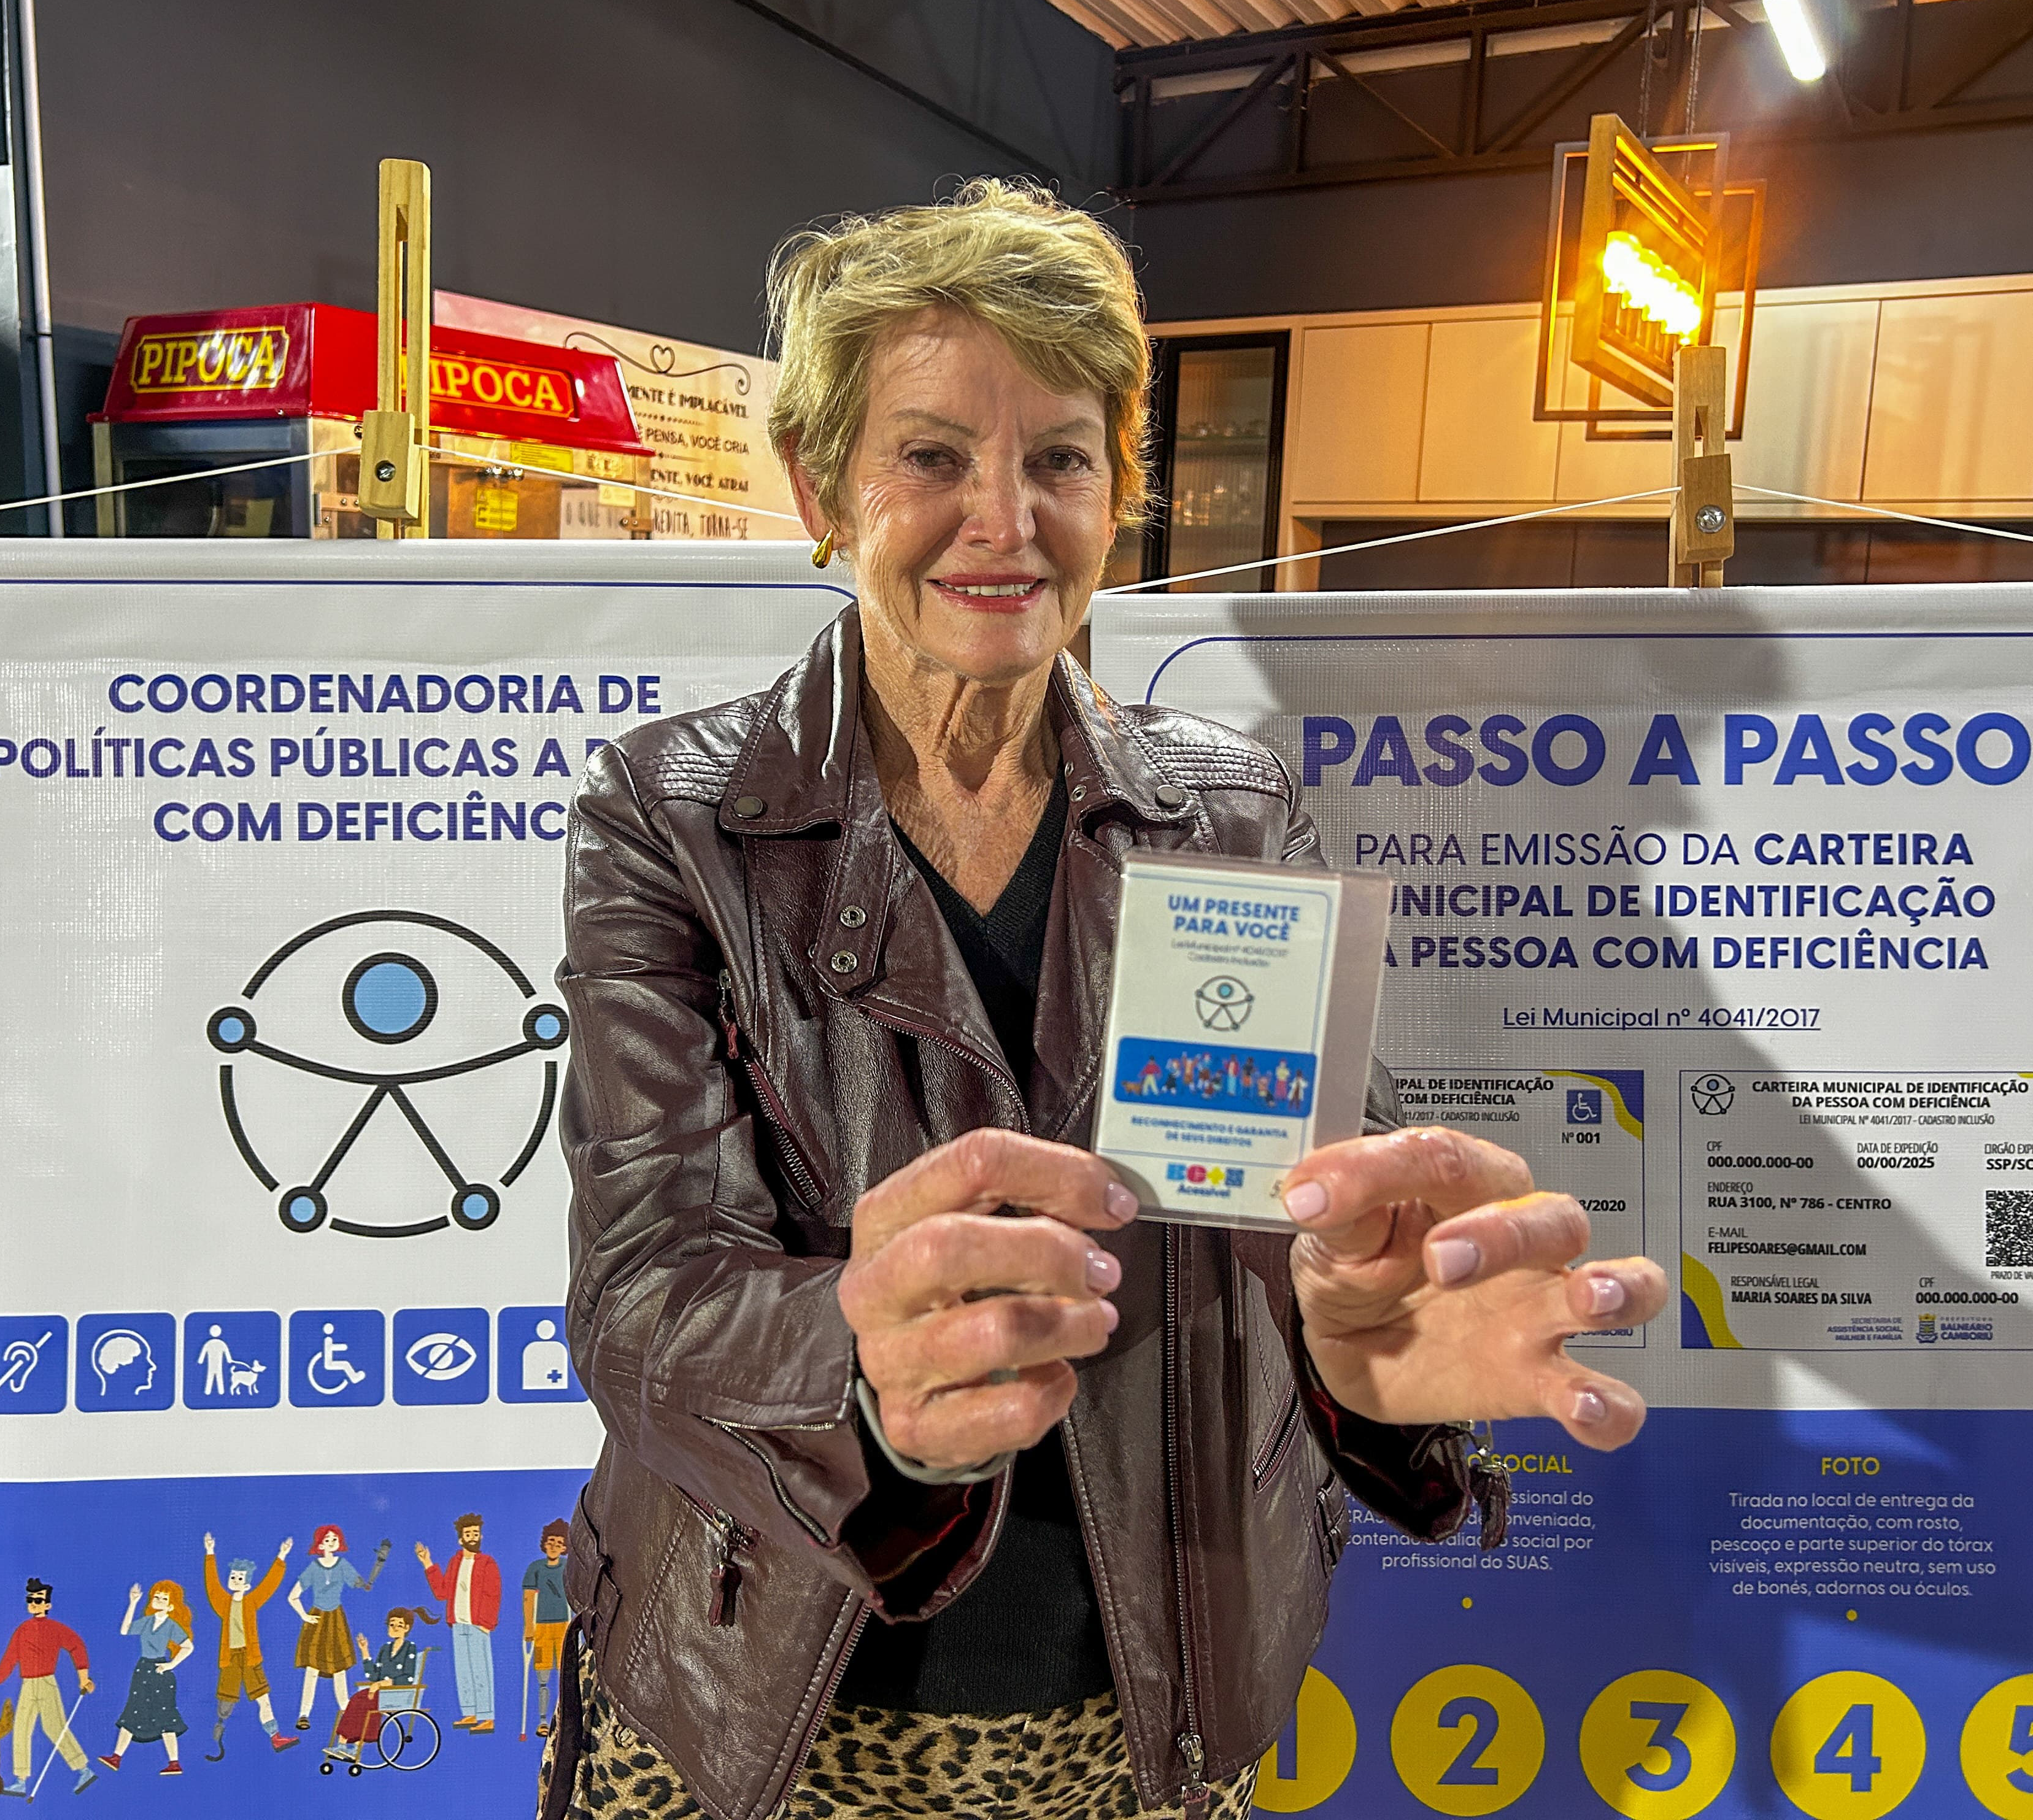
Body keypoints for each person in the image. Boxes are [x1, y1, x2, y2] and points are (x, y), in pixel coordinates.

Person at [544, 181, 1667, 1820]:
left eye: (1059, 460)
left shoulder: (1235, 816)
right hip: (758, 1713)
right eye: (933, 456)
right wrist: (860, 1361)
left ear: (1119, 492)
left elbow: (1306, 1224)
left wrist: (1361, 1324)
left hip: (1141, 1714)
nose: (1003, 520)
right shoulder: (677, 818)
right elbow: (645, 1295)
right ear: (821, 484)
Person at [0, 1577, 96, 1795]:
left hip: (47, 1684)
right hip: (28, 1686)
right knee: (21, 1730)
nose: (33, 1604)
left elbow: (77, 1646)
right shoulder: (22, 1630)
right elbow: (10, 1659)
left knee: (55, 1728)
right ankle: (20, 1781)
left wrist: (83, 1678)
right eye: (30, 1600)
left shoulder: (56, 1629)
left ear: (48, 1605)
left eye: (38, 1600)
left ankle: (84, 1770)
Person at [200, 1532, 300, 1757]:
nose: (235, 1580)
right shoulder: (223, 1603)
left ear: (247, 1584)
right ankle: (217, 1739)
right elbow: (212, 1586)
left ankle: (275, 1737)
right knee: (225, 1702)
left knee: (263, 1698)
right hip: (230, 1659)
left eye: (240, 1578)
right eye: (233, 1577)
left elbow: (269, 1585)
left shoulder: (252, 1601)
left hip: (250, 1657)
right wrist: (210, 1552)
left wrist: (282, 1556)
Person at [97, 1580, 193, 1776]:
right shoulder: (148, 1621)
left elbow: (188, 1647)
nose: (159, 1600)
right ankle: (116, 1757)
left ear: (172, 1605)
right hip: (142, 1670)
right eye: (156, 1597)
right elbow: (125, 1630)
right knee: (133, 1711)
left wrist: (170, 1665)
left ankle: (174, 1762)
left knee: (166, 1716)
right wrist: (133, 1603)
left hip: (160, 1671)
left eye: (164, 1599)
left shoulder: (171, 1625)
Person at [415, 1513, 501, 1731]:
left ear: (481, 1536)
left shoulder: (488, 1563)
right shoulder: (455, 1562)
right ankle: (470, 1713)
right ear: (461, 1539)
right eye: (468, 1534)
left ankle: (487, 1716)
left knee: (481, 1671)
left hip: (478, 1625)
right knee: (463, 1671)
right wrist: (427, 1563)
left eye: (476, 1534)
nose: (473, 1538)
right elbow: (442, 1592)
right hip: (458, 1625)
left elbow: (493, 1595)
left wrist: (487, 1623)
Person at [322, 1606, 439, 1764]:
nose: (395, 1628)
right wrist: (365, 1651)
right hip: (379, 1691)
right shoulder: (385, 1649)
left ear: (407, 1628)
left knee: (366, 1704)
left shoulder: (409, 1648)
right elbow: (374, 1675)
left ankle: (356, 1748)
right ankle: (342, 1745)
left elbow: (408, 1678)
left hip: (397, 1692)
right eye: (392, 1624)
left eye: (399, 1625)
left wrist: (383, 1683)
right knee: (356, 1700)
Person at [287, 1524, 372, 1730]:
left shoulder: (343, 1565)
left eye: (335, 1539)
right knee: (312, 1670)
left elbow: (357, 1582)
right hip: (318, 1621)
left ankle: (347, 1712)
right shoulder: (313, 1568)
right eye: (328, 1539)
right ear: (320, 1544)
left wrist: (364, 1583)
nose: (332, 1542)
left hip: (336, 1621)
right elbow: (293, 1596)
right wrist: (304, 1616)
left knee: (339, 1670)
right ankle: (304, 1714)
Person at [519, 1522, 570, 1738]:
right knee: (543, 1677)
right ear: (544, 1544)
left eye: (559, 1543)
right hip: (541, 1628)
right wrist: (529, 1627)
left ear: (565, 1547)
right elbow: (529, 1598)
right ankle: (543, 1721)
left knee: (565, 1674)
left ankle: (564, 1718)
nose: (554, 1546)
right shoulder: (536, 1568)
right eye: (551, 1541)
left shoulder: (568, 1567)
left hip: (564, 1627)